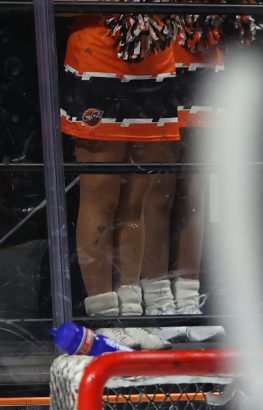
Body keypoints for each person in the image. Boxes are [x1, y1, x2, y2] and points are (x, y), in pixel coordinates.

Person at [61, 10, 180, 349]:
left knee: (135, 201)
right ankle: (105, 318)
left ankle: (130, 315)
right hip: (98, 55)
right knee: (101, 196)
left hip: (155, 57)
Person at [140, 14, 235, 343]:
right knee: (159, 189)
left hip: (203, 50)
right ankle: (157, 303)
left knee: (196, 190)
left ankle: (188, 301)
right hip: (159, 48)